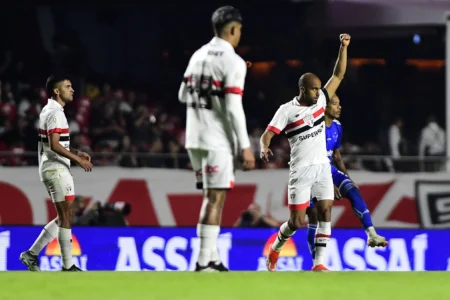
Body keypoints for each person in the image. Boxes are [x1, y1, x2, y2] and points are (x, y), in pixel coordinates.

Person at [260, 34, 351, 272]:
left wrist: (343, 47)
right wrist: (264, 145)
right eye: (313, 89)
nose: (318, 93)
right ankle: (276, 248)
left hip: (322, 167)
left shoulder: (321, 100)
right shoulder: (287, 110)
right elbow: (268, 133)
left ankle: (319, 263)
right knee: (296, 222)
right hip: (300, 171)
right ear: (302, 89)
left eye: (319, 89)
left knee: (325, 211)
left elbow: (339, 75)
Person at [178, 6, 256, 272]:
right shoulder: (232, 61)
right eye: (240, 30)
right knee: (215, 198)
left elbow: (182, 95)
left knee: (210, 197)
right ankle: (202, 263)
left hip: (194, 137)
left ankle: (210, 258)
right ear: (233, 29)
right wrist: (245, 146)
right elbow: (234, 107)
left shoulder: (198, 55)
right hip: (215, 139)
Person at [19, 75, 93, 272]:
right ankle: (67, 266)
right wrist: (78, 160)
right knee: (66, 215)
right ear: (57, 91)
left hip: (54, 167)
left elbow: (53, 143)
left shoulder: (51, 110)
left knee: (64, 216)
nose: (72, 90)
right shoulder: (54, 113)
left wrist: (75, 152)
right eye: (68, 86)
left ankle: (31, 254)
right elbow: (53, 145)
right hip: (56, 168)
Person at [306, 94, 388, 263]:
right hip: (312, 173)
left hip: (330, 170)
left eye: (339, 104)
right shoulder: (315, 129)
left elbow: (336, 156)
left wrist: (348, 178)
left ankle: (371, 234)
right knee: (314, 216)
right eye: (335, 104)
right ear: (325, 107)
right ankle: (316, 258)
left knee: (353, 190)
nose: (339, 107)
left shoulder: (337, 126)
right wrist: (327, 184)